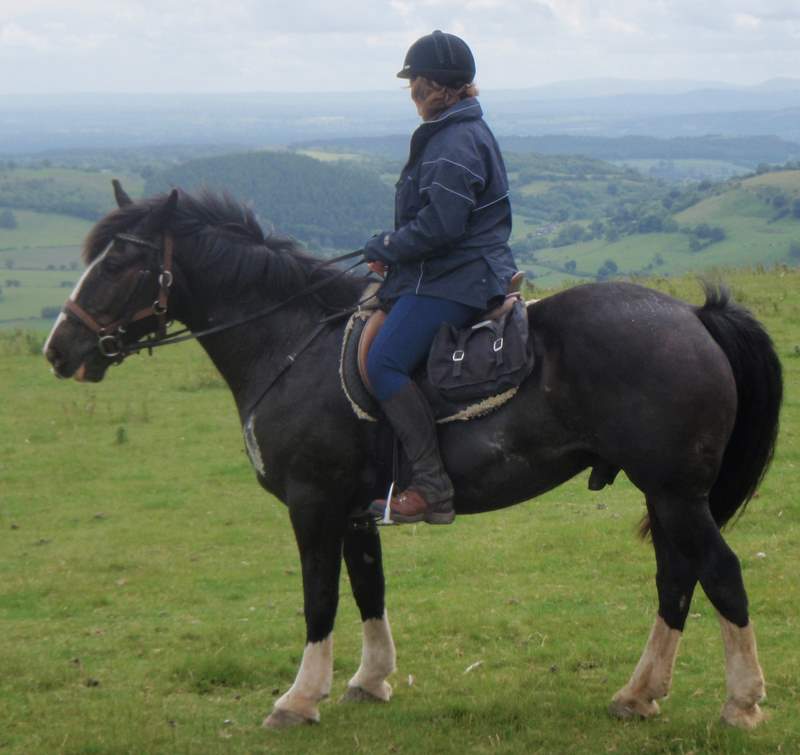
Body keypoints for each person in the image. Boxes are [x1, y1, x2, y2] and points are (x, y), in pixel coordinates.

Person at [363, 30, 517, 525]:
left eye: (415, 85)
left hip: (458, 277)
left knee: (384, 362)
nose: (411, 94)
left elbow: (441, 226)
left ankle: (430, 485)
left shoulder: (453, 140)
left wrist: (387, 246)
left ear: (435, 87)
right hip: (453, 269)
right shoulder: (460, 128)